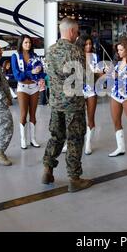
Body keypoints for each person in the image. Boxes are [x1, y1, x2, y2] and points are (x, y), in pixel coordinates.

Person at [42, 18, 93, 193]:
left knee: (56, 136)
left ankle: (47, 170)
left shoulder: (50, 51)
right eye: (77, 32)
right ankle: (74, 178)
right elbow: (84, 78)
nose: (77, 35)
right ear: (71, 32)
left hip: (56, 103)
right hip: (73, 105)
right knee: (74, 139)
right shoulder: (75, 52)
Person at [11, 35, 46, 150]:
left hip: (34, 87)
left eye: (30, 42)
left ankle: (33, 139)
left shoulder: (34, 56)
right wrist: (30, 71)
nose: (28, 44)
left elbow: (40, 72)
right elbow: (18, 76)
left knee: (33, 114)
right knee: (23, 114)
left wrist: (40, 71)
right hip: (22, 88)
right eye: (26, 42)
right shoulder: (15, 56)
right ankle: (23, 140)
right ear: (21, 43)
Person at [76, 35, 104, 155]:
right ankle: (72, 141)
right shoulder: (76, 55)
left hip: (91, 89)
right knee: (76, 118)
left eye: (90, 44)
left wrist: (101, 73)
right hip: (78, 89)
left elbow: (98, 73)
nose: (88, 46)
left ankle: (88, 143)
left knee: (90, 117)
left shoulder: (95, 56)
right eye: (86, 44)